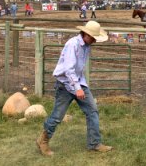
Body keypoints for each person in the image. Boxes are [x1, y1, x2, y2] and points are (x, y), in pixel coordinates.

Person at [37, 21, 112, 156]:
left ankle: (94, 143)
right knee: (57, 116)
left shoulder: (86, 46)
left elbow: (77, 70)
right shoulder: (73, 44)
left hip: (78, 83)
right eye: (94, 37)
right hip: (65, 84)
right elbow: (69, 69)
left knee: (92, 111)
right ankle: (43, 140)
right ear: (86, 34)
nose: (95, 40)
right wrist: (77, 88)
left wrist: (80, 86)